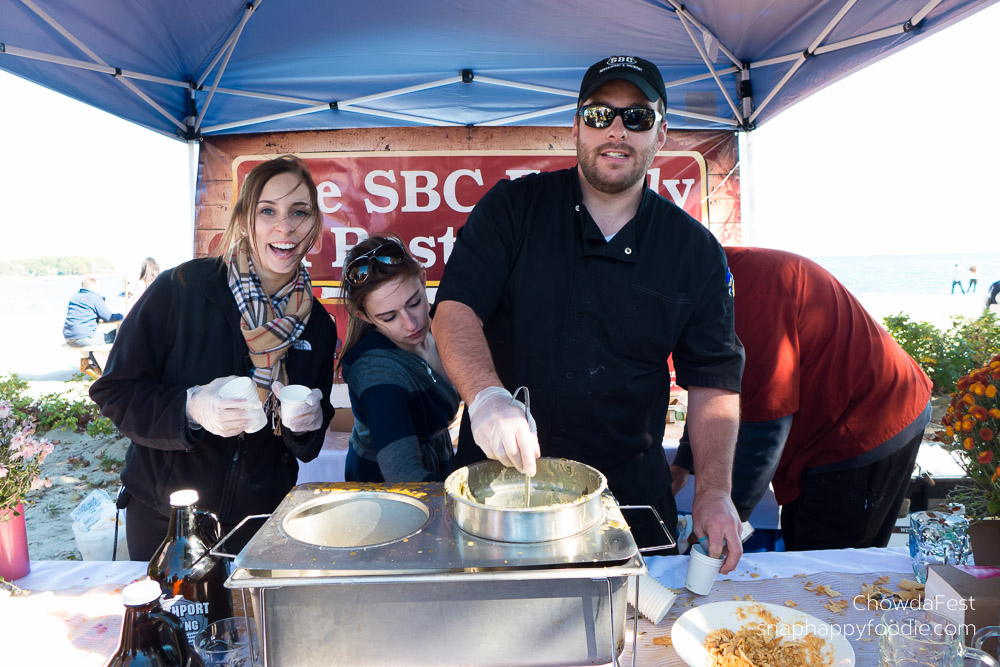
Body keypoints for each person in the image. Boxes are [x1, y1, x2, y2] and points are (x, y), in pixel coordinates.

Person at [432, 55, 745, 570]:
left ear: (660, 133)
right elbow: (456, 308)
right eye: (600, 115)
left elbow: (714, 380)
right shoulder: (514, 208)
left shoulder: (694, 251)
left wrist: (714, 491)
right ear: (576, 126)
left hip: (629, 502)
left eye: (637, 117)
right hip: (501, 491)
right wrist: (487, 398)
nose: (617, 131)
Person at [90, 156, 337, 560]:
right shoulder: (182, 287)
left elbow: (305, 447)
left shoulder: (318, 325)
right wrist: (190, 407)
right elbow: (114, 392)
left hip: (259, 525)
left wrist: (308, 425)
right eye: (268, 211)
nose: (286, 226)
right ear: (244, 219)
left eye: (299, 212)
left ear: (314, 223)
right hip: (166, 519)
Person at [671, 248, 932, 551]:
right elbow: (711, 390)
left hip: (868, 422)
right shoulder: (701, 276)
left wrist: (721, 526)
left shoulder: (749, 297)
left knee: (826, 565)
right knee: (798, 545)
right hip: (823, 421)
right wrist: (683, 463)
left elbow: (764, 433)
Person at [338, 235, 459, 483]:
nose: (411, 323)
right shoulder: (374, 371)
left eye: (414, 302)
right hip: (381, 498)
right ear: (366, 316)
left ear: (423, 279)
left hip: (439, 466)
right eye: (389, 317)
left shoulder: (446, 325)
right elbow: (404, 474)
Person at [63, 277, 123, 346]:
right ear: (94, 286)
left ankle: (94, 356)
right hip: (84, 338)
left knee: (111, 334)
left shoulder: (74, 297)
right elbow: (109, 317)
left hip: (69, 339)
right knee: (119, 339)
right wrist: (121, 315)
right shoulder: (94, 297)